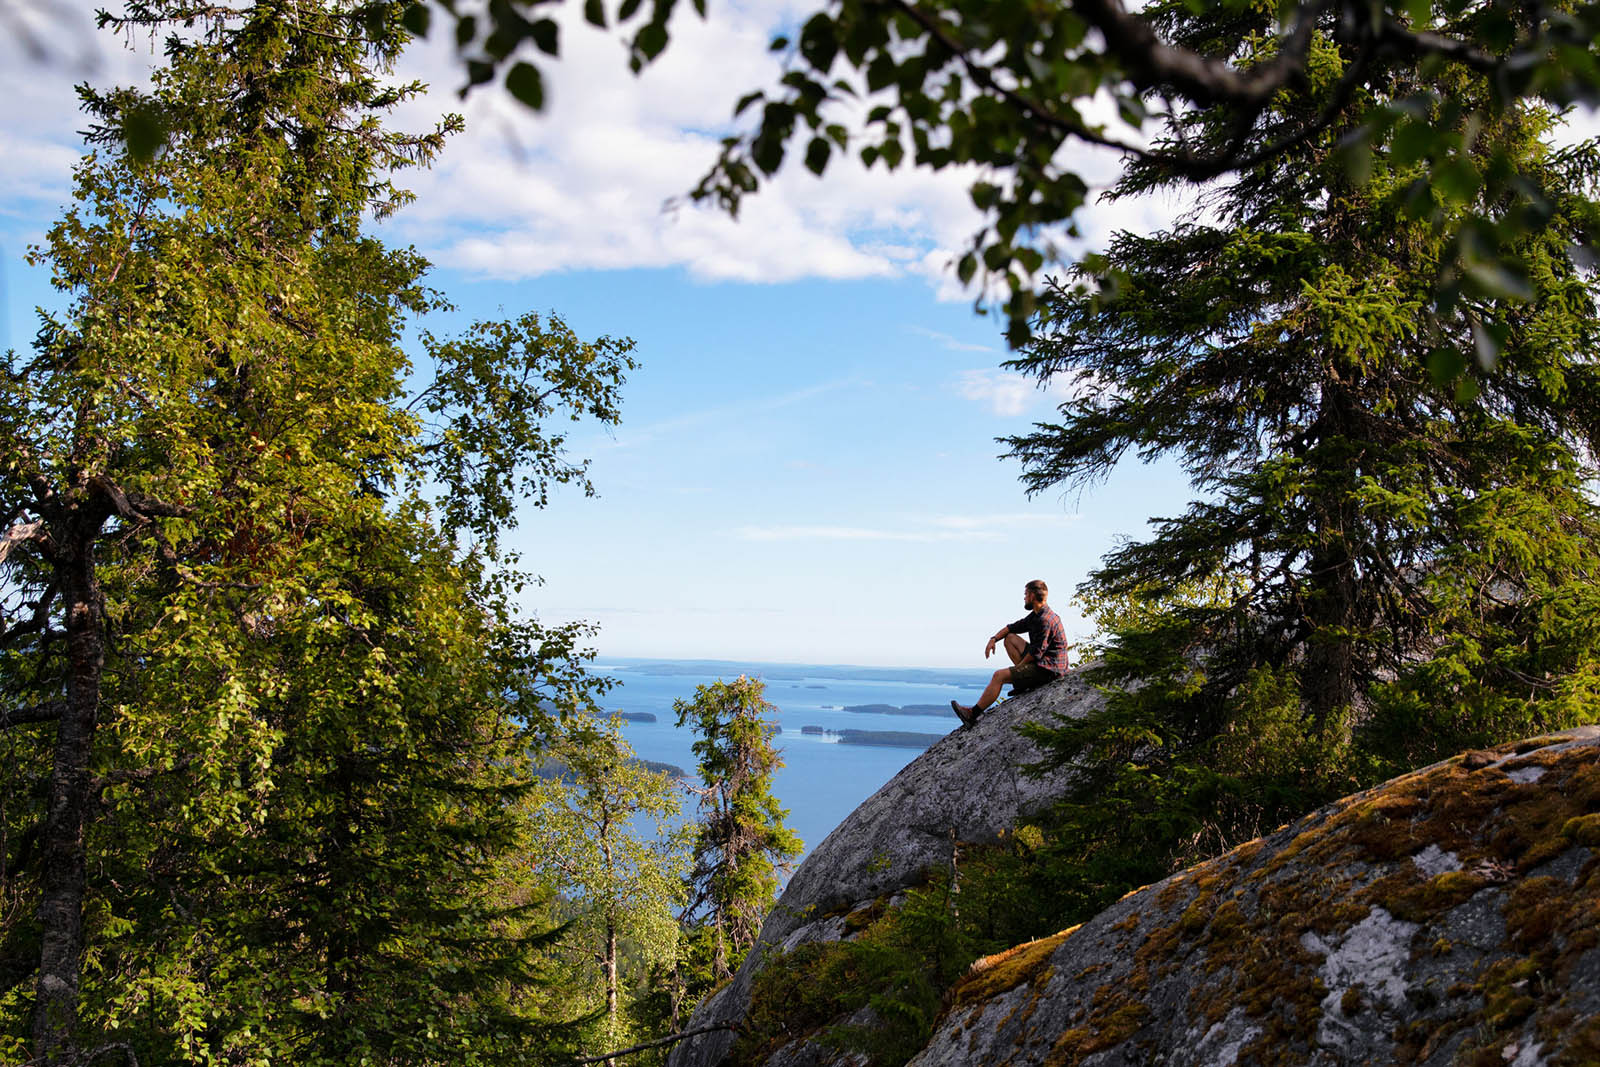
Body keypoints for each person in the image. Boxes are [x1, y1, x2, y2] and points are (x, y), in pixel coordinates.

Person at [951, 579, 1069, 726]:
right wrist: (993, 639)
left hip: (1049, 669)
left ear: (1032, 596)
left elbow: (1035, 654)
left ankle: (971, 714)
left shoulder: (1044, 620)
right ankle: (1023, 681)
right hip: (1046, 661)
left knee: (998, 676)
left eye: (1026, 594)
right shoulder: (1038, 614)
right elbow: (1012, 627)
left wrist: (1016, 672)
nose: (1024, 598)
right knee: (1010, 639)